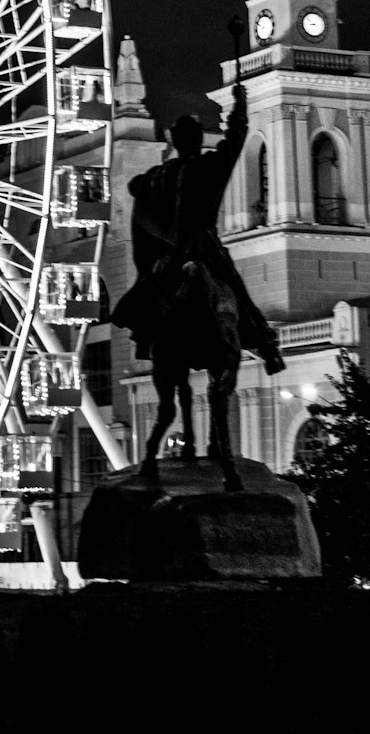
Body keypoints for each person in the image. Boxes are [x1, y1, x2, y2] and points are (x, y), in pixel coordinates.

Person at [112, 84, 284, 488]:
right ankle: (266, 345)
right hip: (203, 249)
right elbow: (236, 141)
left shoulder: (155, 178)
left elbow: (141, 228)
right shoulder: (207, 167)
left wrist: (151, 265)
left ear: (172, 142)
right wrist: (239, 109)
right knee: (238, 295)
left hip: (166, 262)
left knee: (154, 306)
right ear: (195, 141)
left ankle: (148, 340)